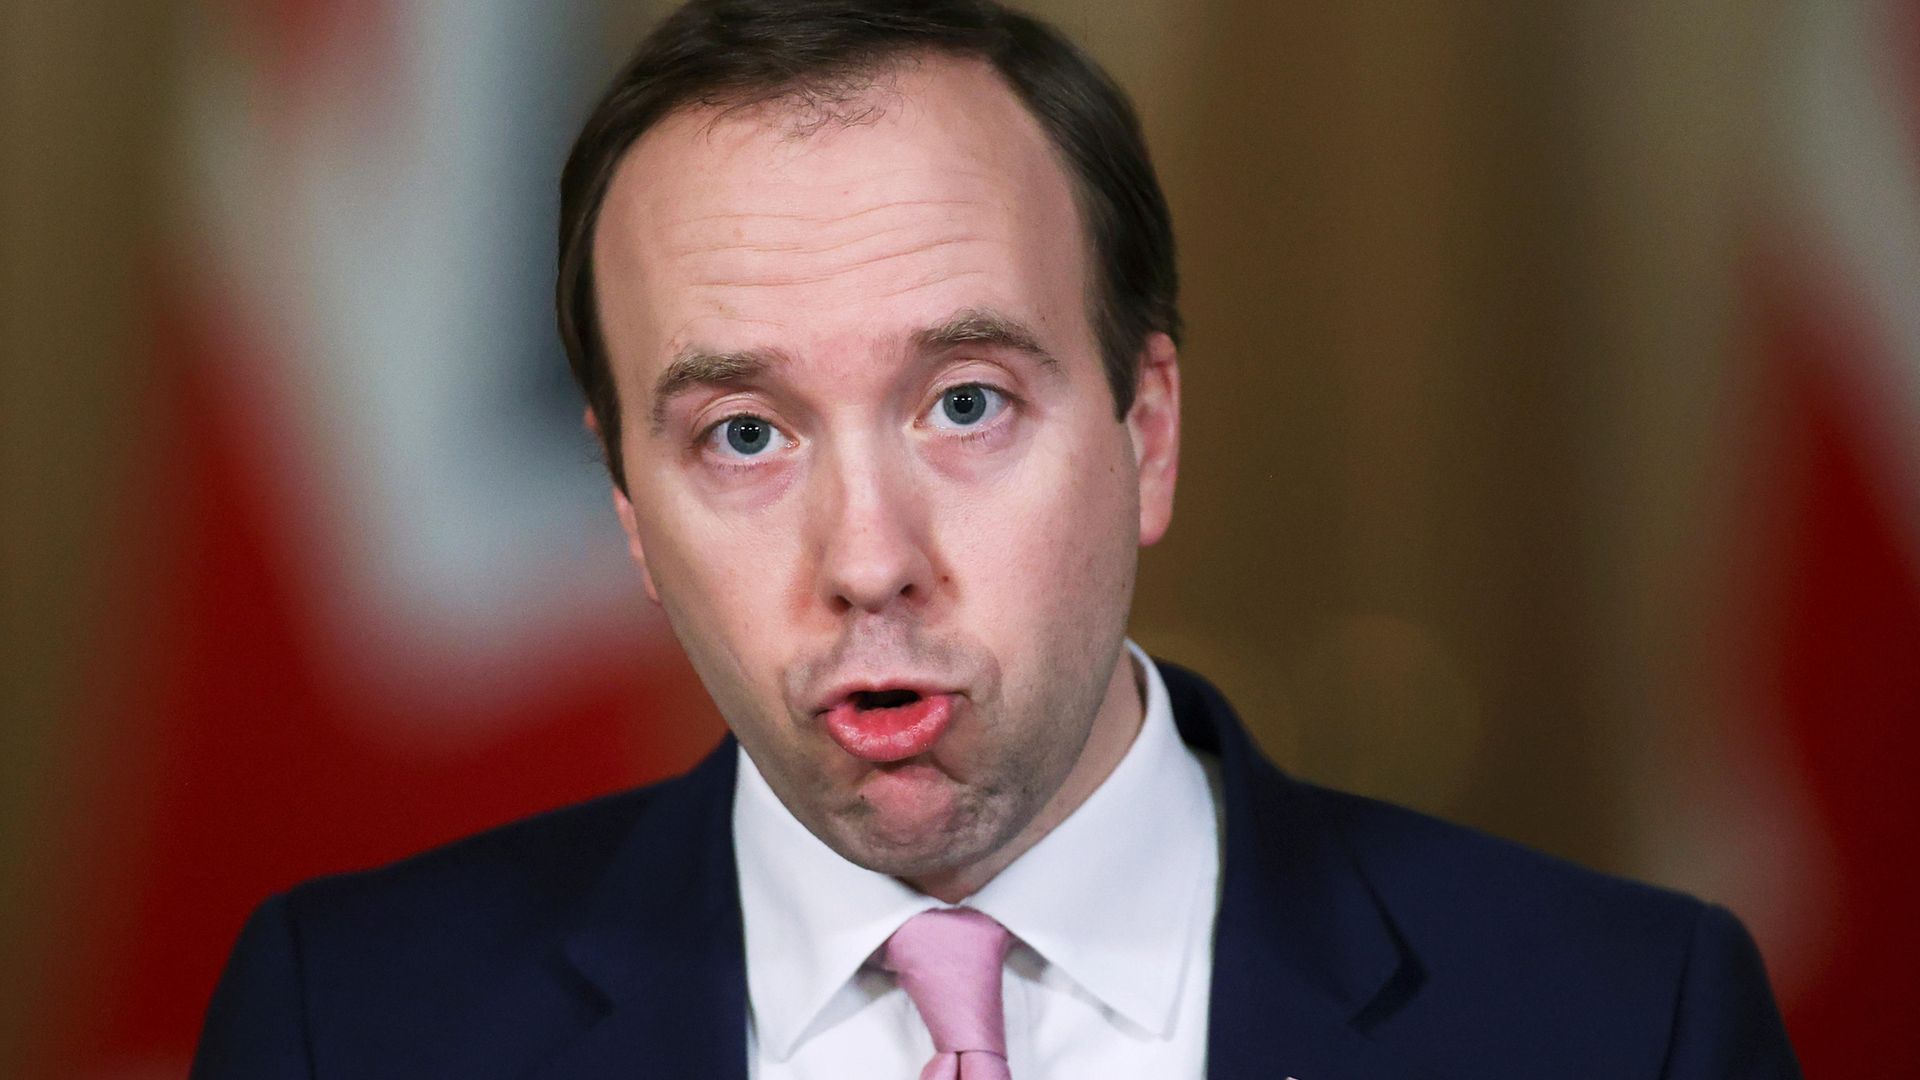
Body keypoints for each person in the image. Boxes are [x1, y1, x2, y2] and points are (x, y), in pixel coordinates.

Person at [191, 1, 1802, 1077]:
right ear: (627, 511)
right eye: (744, 435)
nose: (869, 557)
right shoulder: (352, 1023)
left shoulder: (1623, 1022)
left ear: (1146, 432)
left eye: (964, 403)